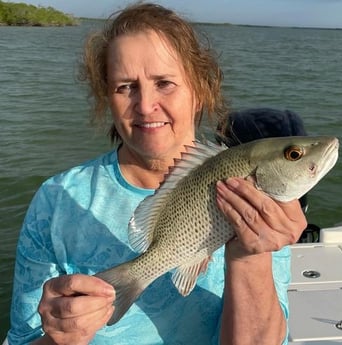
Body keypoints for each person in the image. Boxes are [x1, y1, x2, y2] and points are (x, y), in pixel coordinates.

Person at [7, 3, 307, 345]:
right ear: (107, 97)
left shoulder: (254, 196)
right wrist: (60, 338)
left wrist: (249, 256)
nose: (146, 105)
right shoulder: (57, 199)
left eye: (164, 83)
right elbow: (23, 339)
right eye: (125, 87)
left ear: (200, 90)